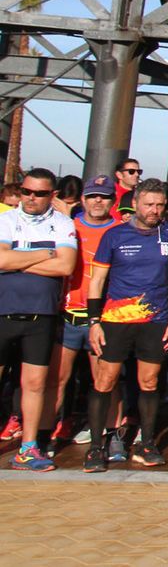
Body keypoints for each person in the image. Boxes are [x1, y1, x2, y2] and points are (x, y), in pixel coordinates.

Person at [81, 179, 168, 470]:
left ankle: (147, 442)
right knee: (105, 381)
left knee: (149, 382)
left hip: (156, 319)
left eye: (160, 205)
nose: (154, 210)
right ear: (136, 204)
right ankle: (95, 447)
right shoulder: (114, 236)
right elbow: (98, 280)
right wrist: (94, 321)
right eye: (149, 204)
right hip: (115, 320)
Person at [0, 168, 78, 471]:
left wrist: (17, 261)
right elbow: (0, 260)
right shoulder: (6, 219)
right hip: (4, 310)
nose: (31, 198)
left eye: (39, 193)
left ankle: (28, 448)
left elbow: (66, 266)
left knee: (35, 384)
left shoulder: (62, 223)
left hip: (41, 315)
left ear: (52, 195)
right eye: (26, 191)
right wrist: (46, 255)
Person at [53, 174, 120, 452]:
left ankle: (110, 433)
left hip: (104, 318)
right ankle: (49, 433)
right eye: (93, 196)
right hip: (67, 314)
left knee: (105, 380)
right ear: (83, 199)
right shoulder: (67, 227)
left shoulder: (121, 230)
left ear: (112, 201)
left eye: (103, 197)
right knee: (57, 379)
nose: (97, 202)